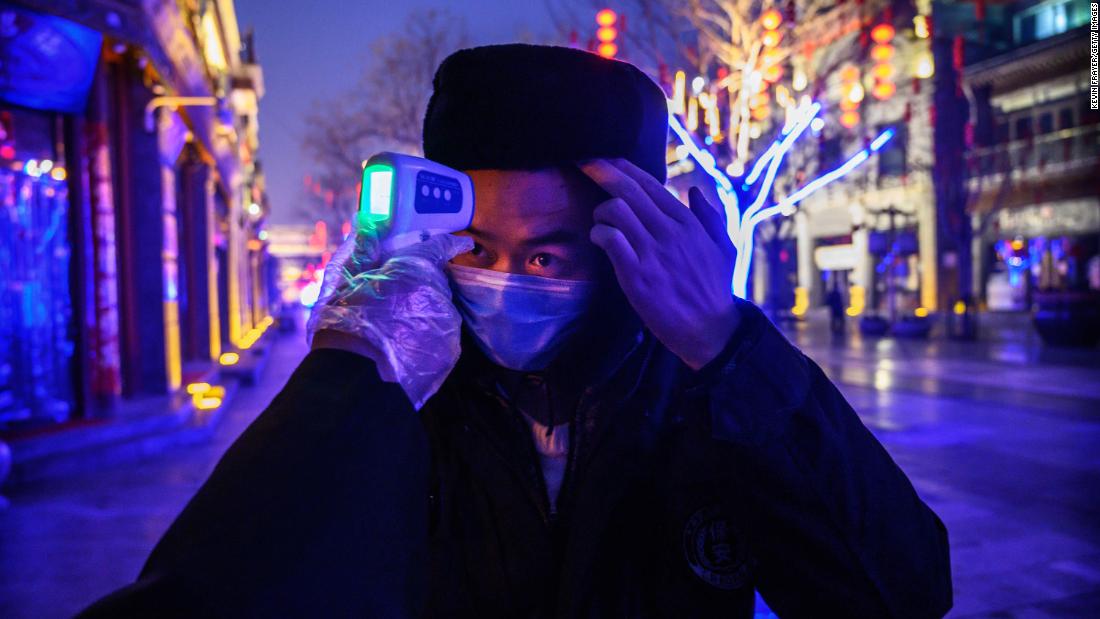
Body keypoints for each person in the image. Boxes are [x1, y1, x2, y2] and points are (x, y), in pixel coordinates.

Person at [79, 45, 951, 618]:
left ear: (627, 245)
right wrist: (353, 371)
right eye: (477, 248)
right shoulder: (407, 404)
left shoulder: (702, 399)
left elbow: (900, 590)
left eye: (547, 257)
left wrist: (729, 347)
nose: (504, 282)